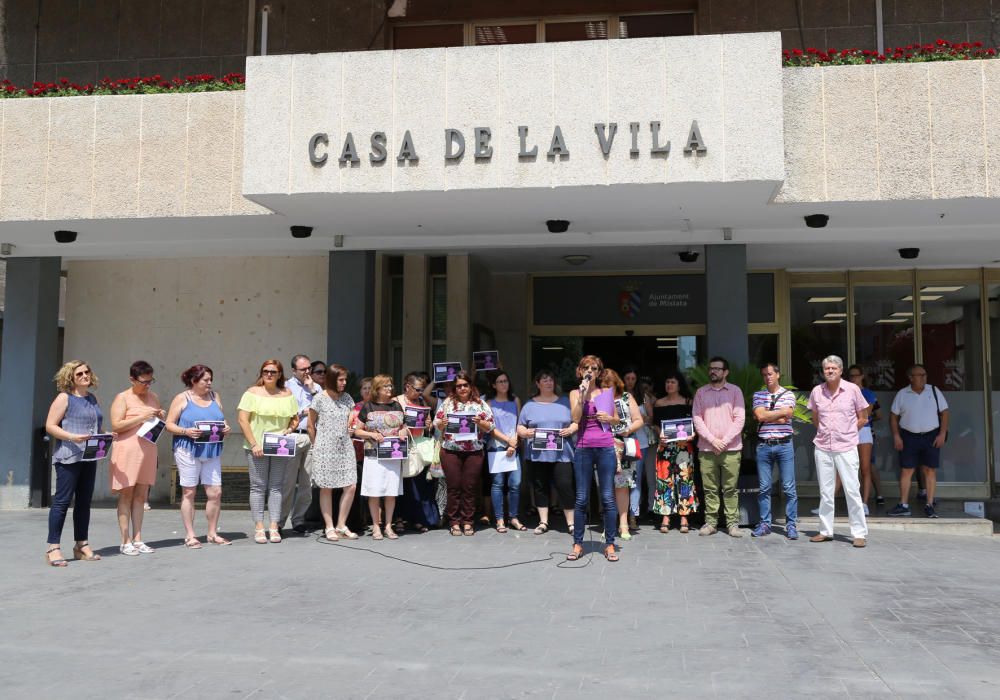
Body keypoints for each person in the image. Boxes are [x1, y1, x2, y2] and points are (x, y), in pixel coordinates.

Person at [165, 364, 232, 548]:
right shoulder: (182, 398)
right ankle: (190, 535)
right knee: (189, 492)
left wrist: (225, 427)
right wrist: (185, 431)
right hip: (187, 449)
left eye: (211, 379)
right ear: (194, 380)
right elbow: (169, 424)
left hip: (211, 448)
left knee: (215, 492)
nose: (210, 383)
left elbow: (220, 418)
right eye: (205, 380)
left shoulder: (214, 396)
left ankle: (212, 533)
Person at [44, 361, 104, 567]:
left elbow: (95, 425)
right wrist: (72, 436)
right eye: (79, 373)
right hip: (68, 456)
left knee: (84, 502)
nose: (85, 375)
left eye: (87, 372)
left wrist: (105, 436)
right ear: (71, 377)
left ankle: (81, 545)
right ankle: (53, 547)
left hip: (89, 456)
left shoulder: (92, 398)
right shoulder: (64, 398)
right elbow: (50, 426)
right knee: (61, 502)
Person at [807, 355, 869, 547]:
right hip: (823, 446)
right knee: (826, 492)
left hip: (846, 446)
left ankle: (859, 533)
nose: (830, 371)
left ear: (841, 371)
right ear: (823, 371)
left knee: (852, 490)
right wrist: (826, 432)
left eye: (834, 368)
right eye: (827, 369)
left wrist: (847, 432)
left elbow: (863, 417)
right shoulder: (817, 391)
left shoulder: (852, 390)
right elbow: (814, 418)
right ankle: (825, 531)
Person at [237, 359, 300, 544]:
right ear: (261, 373)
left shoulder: (287, 394)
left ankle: (273, 526)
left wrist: (289, 430)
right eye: (266, 371)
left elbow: (294, 419)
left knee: (276, 487)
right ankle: (259, 527)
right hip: (256, 447)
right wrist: (254, 444)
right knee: (257, 487)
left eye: (273, 371)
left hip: (279, 446)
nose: (269, 374)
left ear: (280, 374)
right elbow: (243, 420)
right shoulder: (251, 393)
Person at [109, 360, 165, 556]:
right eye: (144, 381)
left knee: (141, 495)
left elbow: (156, 421)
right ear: (132, 380)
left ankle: (138, 538)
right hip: (127, 450)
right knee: (127, 494)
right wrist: (141, 417)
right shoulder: (122, 398)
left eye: (151, 381)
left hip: (147, 449)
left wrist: (159, 416)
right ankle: (125, 541)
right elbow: (116, 425)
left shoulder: (153, 397)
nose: (147, 385)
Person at [568, 355, 619, 562]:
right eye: (586, 367)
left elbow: (616, 419)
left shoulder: (606, 392)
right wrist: (582, 393)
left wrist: (609, 418)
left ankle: (610, 544)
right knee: (581, 498)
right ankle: (578, 543)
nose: (591, 370)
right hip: (583, 448)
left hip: (605, 447)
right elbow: (575, 418)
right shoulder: (574, 393)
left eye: (595, 368)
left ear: (599, 372)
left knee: (607, 497)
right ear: (580, 371)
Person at [434, 370, 494, 536]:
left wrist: (479, 422)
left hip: (474, 451)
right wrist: (442, 423)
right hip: (450, 450)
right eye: (458, 386)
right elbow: (436, 424)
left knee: (469, 487)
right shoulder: (447, 403)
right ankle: (454, 521)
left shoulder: (480, 404)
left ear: (470, 386)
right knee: (454, 487)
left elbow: (491, 426)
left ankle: (467, 521)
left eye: (465, 385)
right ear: (455, 388)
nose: (462, 388)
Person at [518, 370, 577, 536]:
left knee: (565, 485)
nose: (548, 382)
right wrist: (525, 433)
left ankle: (571, 523)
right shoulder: (529, 405)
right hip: (537, 453)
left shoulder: (565, 402)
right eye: (544, 380)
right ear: (537, 384)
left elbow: (577, 421)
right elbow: (520, 426)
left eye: (551, 379)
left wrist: (571, 429)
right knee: (539, 487)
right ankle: (543, 521)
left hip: (562, 453)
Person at [692, 356, 746, 538]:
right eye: (711, 368)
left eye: (717, 368)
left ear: (726, 372)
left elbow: (740, 418)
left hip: (731, 449)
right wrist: (712, 440)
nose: (712, 371)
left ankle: (732, 524)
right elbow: (697, 418)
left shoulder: (735, 391)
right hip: (707, 449)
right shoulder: (701, 392)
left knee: (730, 488)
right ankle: (711, 523)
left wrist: (724, 441)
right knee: (710, 489)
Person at [888, 364, 949, 519]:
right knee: (906, 470)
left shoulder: (934, 391)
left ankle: (929, 505)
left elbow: (945, 413)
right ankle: (903, 505)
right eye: (919, 375)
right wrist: (896, 436)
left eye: (924, 374)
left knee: (930, 470)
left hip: (931, 436)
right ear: (910, 378)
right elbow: (893, 416)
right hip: (908, 436)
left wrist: (942, 434)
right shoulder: (903, 393)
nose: (923, 377)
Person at [353, 375, 409, 540]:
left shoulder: (396, 405)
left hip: (393, 454)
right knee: (374, 491)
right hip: (373, 456)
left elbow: (405, 427)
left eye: (391, 386)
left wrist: (402, 432)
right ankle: (376, 526)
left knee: (391, 492)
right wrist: (371, 434)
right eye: (386, 386)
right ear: (377, 389)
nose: (390, 389)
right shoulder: (368, 406)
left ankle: (388, 525)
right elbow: (357, 430)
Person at [308, 363, 359, 541]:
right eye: (340, 379)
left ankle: (341, 524)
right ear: (331, 379)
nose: (344, 383)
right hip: (324, 447)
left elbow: (353, 421)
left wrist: (353, 428)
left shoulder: (347, 398)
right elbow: (310, 425)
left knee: (351, 485)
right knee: (326, 487)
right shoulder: (319, 399)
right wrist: (317, 446)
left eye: (345, 379)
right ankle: (329, 526)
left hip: (345, 446)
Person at [751, 363, 799, 539]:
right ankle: (765, 524)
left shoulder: (788, 395)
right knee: (764, 487)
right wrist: (779, 414)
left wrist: (772, 414)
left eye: (770, 374)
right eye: (764, 374)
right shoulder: (758, 395)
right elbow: (760, 416)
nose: (767, 377)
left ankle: (791, 525)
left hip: (784, 445)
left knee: (788, 487)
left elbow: (788, 415)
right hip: (764, 445)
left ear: (778, 374)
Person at [652, 371, 697, 533]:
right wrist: (660, 434)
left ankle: (684, 517)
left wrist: (693, 434)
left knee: (684, 480)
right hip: (665, 447)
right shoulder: (659, 403)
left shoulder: (688, 402)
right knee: (664, 481)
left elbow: (694, 424)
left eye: (672, 382)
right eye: (667, 382)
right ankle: (666, 516)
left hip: (684, 446)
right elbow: (655, 424)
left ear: (679, 385)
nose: (669, 385)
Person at [394, 371, 439, 532]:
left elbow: (428, 426)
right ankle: (399, 518)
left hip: (418, 446)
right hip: (400, 447)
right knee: (401, 484)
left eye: (422, 390)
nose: (421, 393)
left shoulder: (421, 401)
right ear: (408, 387)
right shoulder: (396, 401)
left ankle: (418, 518)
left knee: (418, 485)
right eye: (418, 389)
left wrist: (428, 423)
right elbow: (391, 423)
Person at [604, 368, 644, 541]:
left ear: (616, 384)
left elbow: (639, 420)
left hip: (624, 445)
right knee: (607, 487)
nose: (607, 389)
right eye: (604, 385)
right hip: (603, 446)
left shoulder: (627, 397)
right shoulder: (596, 400)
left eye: (610, 385)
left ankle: (624, 523)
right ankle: (609, 524)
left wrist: (627, 430)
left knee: (622, 485)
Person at [280, 353, 319, 534]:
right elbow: (285, 412)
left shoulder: (316, 387)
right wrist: (304, 411)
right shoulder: (285, 387)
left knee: (307, 482)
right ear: (293, 370)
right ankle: (278, 522)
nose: (307, 371)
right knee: (287, 482)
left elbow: (323, 408)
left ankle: (298, 520)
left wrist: (312, 391)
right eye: (303, 369)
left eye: (309, 368)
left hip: (311, 436)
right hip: (292, 436)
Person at [486, 371, 525, 533]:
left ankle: (514, 517)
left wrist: (514, 442)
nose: (504, 384)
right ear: (494, 385)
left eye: (506, 381)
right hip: (496, 446)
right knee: (498, 484)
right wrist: (507, 441)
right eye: (500, 381)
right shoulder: (488, 403)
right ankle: (500, 519)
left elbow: (520, 423)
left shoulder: (515, 400)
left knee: (515, 483)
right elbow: (489, 427)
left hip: (513, 446)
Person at [847, 365, 883, 514]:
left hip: (864, 430)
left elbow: (867, 414)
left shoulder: (867, 393)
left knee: (865, 468)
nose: (853, 378)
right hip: (847, 431)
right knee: (844, 468)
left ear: (862, 376)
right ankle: (836, 503)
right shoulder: (845, 392)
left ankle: (865, 503)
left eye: (856, 375)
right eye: (851, 376)